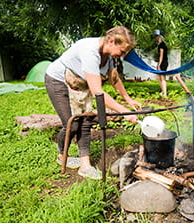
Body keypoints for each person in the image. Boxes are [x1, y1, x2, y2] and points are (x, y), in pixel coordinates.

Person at [45, 26, 141, 180]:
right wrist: (124, 112)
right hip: (59, 80)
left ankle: (85, 166)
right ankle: (62, 155)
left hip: (81, 84)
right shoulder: (90, 51)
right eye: (122, 51)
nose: (123, 55)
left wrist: (128, 100)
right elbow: (98, 92)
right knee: (72, 124)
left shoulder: (110, 56)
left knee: (85, 121)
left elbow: (114, 79)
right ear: (111, 41)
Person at [153, 29, 168, 97]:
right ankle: (163, 91)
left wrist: (159, 65)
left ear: (160, 36)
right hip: (164, 62)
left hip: (163, 63)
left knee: (162, 78)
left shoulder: (162, 45)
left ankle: (164, 93)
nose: (156, 38)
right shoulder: (162, 44)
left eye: (157, 36)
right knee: (158, 77)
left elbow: (161, 56)